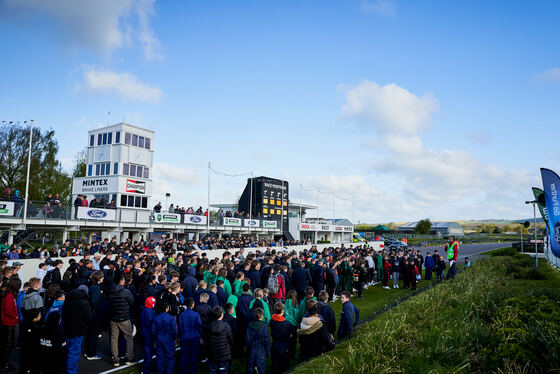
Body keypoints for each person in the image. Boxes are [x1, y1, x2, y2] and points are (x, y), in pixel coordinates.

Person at [62, 285, 92, 374]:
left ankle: (66, 369)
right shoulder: (84, 302)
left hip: (67, 328)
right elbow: (89, 317)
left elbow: (63, 313)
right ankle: (71, 371)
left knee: (67, 350)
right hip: (78, 330)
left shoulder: (68, 299)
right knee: (74, 352)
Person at [107, 273, 135, 367]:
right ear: (120, 281)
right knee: (129, 338)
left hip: (113, 317)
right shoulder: (126, 291)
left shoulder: (110, 290)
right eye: (123, 280)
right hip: (124, 317)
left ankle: (115, 359)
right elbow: (132, 302)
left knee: (114, 339)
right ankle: (130, 358)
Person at [205, 306, 234, 374]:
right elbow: (231, 339)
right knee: (222, 371)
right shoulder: (225, 326)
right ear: (221, 315)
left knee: (213, 371)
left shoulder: (209, 325)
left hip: (214, 352)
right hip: (222, 353)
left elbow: (206, 338)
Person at [0, 278, 21, 371]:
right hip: (8, 322)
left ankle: (4, 362)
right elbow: (8, 310)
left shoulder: (9, 294)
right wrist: (15, 316)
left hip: (8, 322)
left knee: (7, 343)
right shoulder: (9, 296)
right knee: (8, 344)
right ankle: (4, 363)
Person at [270, 302, 296, 374]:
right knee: (284, 365)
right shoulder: (287, 323)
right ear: (283, 311)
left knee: (275, 364)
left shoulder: (272, 321)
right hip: (284, 345)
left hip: (275, 344)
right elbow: (291, 334)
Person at [178, 297, 202, 374]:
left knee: (184, 355)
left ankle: (184, 371)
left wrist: (179, 337)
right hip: (194, 337)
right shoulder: (196, 314)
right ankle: (193, 370)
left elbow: (179, 327)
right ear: (192, 305)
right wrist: (199, 335)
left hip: (184, 336)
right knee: (194, 355)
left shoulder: (182, 315)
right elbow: (199, 326)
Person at [153, 301, 177, 374]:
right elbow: (174, 330)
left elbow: (153, 330)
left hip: (159, 339)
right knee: (169, 357)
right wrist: (174, 338)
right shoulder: (171, 318)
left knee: (160, 357)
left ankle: (160, 372)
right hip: (168, 339)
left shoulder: (156, 318)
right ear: (167, 309)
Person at [85, 270, 104, 360]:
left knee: (90, 334)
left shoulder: (93, 286)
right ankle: (91, 354)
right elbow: (94, 302)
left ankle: (88, 352)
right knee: (93, 334)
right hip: (95, 314)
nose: (103, 278)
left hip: (91, 313)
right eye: (102, 277)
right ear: (99, 278)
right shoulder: (96, 288)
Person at [246, 308, 271, 374]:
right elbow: (267, 340)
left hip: (252, 349)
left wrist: (248, 350)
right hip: (260, 350)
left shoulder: (249, 326)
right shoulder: (264, 327)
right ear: (262, 316)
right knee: (261, 369)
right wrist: (268, 352)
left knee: (250, 368)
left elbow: (247, 339)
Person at [140, 296, 157, 374]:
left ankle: (145, 367)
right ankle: (146, 369)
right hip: (149, 333)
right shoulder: (151, 312)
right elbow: (151, 323)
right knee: (148, 351)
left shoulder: (143, 310)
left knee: (147, 351)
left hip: (144, 332)